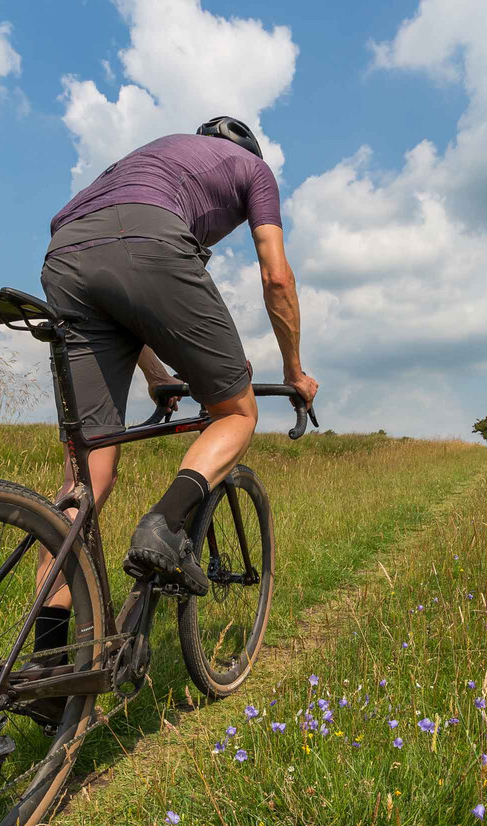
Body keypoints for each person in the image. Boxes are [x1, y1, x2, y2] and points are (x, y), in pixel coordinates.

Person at [31, 116, 318, 667]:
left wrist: (157, 376)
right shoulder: (253, 170)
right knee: (235, 412)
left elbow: (112, 287)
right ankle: (163, 524)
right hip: (150, 242)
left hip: (65, 255)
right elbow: (276, 276)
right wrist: (295, 370)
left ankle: (43, 671)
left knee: (84, 482)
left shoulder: (148, 157)